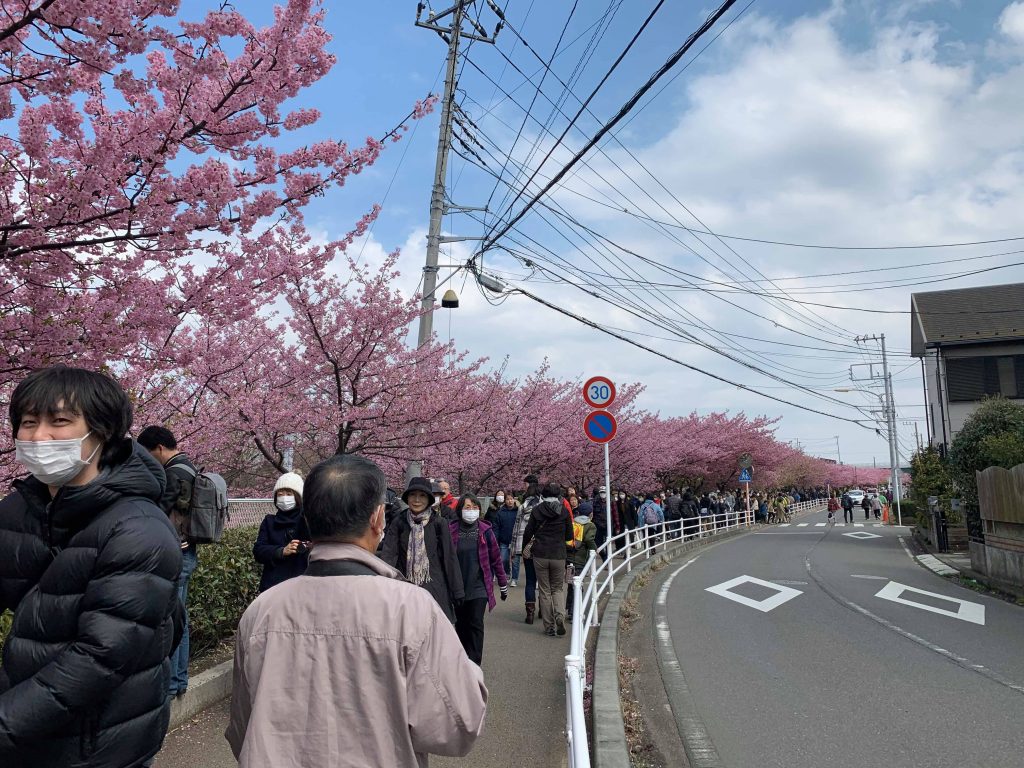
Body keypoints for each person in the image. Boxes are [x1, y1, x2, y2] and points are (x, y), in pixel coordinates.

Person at [226, 454, 487, 767]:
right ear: (378, 519)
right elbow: (459, 726)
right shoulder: (411, 608)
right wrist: (465, 670)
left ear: (308, 518)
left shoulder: (260, 612)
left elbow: (244, 729)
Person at [0, 366, 181, 767]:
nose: (38, 436)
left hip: (99, 742)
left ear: (101, 431)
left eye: (59, 421)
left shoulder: (139, 529)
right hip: (27, 728)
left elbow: (100, 656)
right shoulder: (18, 511)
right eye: (28, 423)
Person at [137, 423, 200, 697]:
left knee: (173, 620)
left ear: (159, 448)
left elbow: (160, 511)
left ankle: (172, 684)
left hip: (177, 553)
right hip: (187, 550)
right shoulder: (189, 468)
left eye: (147, 454)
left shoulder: (174, 474)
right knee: (180, 618)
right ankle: (178, 681)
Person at [381, 476, 464, 622]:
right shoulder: (399, 522)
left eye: (422, 495)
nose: (417, 500)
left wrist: (457, 591)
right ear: (407, 498)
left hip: (434, 587)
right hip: (405, 588)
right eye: (413, 495)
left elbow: (449, 557)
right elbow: (389, 555)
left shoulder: (439, 523)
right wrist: (384, 586)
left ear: (429, 499)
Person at [449, 495, 508, 664]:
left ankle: (474, 663)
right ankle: (462, 660)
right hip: (458, 586)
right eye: (467, 507)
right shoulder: (450, 530)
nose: (471, 511)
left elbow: (496, 559)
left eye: (474, 507)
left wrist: (503, 584)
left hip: (479, 586)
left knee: (475, 623)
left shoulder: (485, 531)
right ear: (460, 510)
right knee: (461, 624)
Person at [522, 482, 573, 637]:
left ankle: (549, 626)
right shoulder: (564, 511)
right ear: (558, 496)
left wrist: (525, 548)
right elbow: (569, 536)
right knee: (557, 588)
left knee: (544, 590)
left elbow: (528, 531)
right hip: (558, 554)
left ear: (543, 495)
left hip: (540, 554)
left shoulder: (537, 510)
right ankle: (559, 616)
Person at [253, 472, 311, 592]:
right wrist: (281, 551)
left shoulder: (308, 519)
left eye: (289, 494)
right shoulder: (269, 521)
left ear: (298, 496)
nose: (284, 497)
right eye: (280, 494)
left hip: (302, 586)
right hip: (273, 586)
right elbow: (258, 551)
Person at [512, 480, 542, 620]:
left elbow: (516, 528)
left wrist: (516, 548)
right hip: (542, 547)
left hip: (526, 547)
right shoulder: (544, 507)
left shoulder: (522, 507)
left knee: (530, 580)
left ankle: (530, 613)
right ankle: (544, 609)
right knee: (543, 581)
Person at [566, 500, 597, 622]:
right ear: (590, 514)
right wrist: (594, 549)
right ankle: (575, 612)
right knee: (578, 586)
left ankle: (569, 609)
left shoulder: (573, 522)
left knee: (570, 584)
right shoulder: (590, 525)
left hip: (568, 558)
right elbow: (589, 540)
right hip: (580, 560)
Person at [491, 490, 519, 577]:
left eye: (511, 499)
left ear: (514, 500)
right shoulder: (500, 512)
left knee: (515, 561)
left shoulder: (518, 511)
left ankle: (514, 578)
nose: (510, 501)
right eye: (508, 499)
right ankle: (507, 573)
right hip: (504, 540)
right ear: (505, 501)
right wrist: (496, 538)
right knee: (503, 559)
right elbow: (496, 527)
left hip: (515, 540)